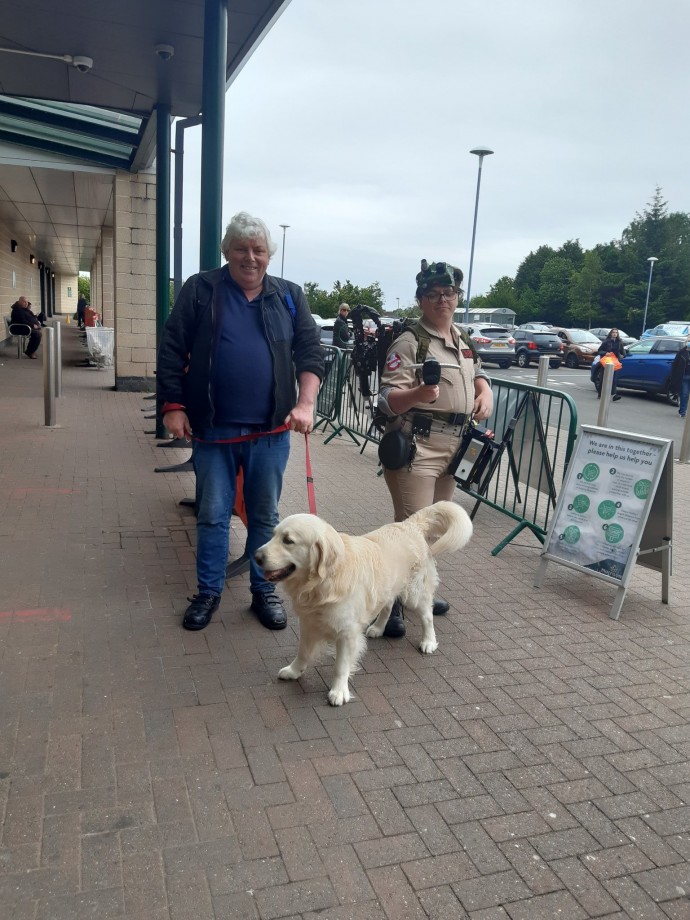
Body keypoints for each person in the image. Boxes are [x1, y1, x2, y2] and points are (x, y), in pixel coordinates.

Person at [157, 211, 324, 632]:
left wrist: (305, 404)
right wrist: (173, 405)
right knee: (212, 515)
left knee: (265, 518)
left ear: (269, 255)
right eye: (241, 249)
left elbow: (310, 353)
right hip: (214, 430)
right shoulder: (201, 289)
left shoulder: (289, 295)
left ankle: (262, 591)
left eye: (259, 250)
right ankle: (208, 592)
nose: (250, 257)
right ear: (226, 251)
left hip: (271, 433)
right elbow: (172, 349)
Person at [377, 259, 493, 637]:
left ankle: (419, 593)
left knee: (431, 531)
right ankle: (390, 604)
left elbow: (476, 371)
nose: (442, 299)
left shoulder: (462, 339)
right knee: (410, 531)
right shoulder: (411, 341)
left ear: (457, 297)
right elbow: (387, 400)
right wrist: (419, 393)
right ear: (421, 299)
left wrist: (485, 388)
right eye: (433, 294)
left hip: (455, 448)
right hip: (418, 448)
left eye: (449, 293)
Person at [596, 328, 625, 401]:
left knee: (614, 379)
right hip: (607, 361)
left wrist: (623, 355)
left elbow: (623, 352)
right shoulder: (606, 342)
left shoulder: (619, 342)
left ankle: (614, 395)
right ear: (611, 333)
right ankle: (600, 393)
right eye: (613, 332)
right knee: (603, 378)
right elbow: (599, 351)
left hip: (615, 362)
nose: (615, 334)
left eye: (616, 332)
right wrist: (606, 353)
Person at [670, 336, 690, 418]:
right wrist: (674, 376)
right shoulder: (682, 352)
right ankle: (683, 412)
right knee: (684, 394)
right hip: (685, 376)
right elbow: (675, 364)